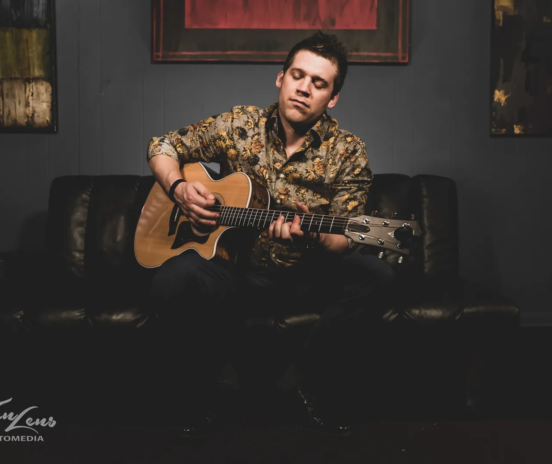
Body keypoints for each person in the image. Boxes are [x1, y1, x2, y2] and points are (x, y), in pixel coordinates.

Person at [146, 31, 395, 437]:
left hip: (308, 277)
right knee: (170, 280)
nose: (304, 88)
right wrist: (179, 190)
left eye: (319, 83)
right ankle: (217, 383)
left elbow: (347, 236)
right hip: (237, 273)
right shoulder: (239, 125)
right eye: (298, 75)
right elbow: (162, 145)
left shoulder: (348, 151)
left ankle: (300, 380)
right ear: (281, 78)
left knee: (378, 276)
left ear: (332, 98)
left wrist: (313, 235)